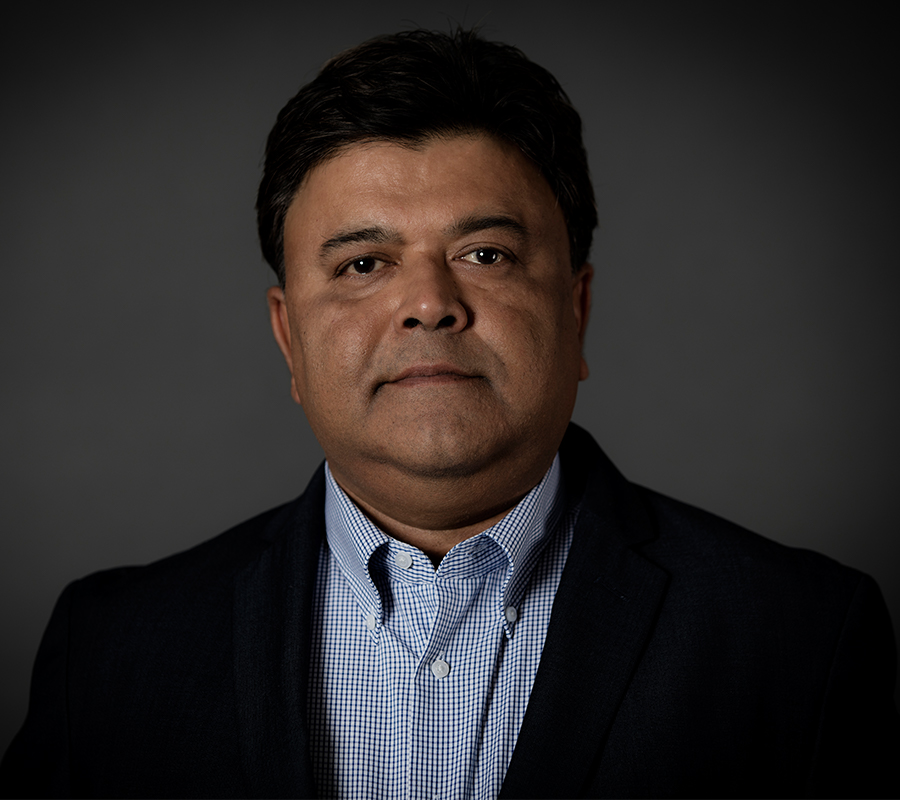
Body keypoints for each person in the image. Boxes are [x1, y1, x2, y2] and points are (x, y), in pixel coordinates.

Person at [1, 27, 897, 800]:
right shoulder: (110, 653)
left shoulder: (800, 639)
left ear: (576, 310)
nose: (429, 303)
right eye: (363, 264)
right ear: (288, 339)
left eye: (486, 253)